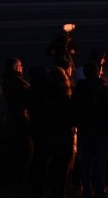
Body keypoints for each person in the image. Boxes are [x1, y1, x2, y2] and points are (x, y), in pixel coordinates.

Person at [29, 65, 75, 198]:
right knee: (61, 170)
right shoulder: (65, 99)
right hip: (63, 138)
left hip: (46, 136)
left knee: (43, 165)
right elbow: (72, 116)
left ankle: (39, 191)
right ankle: (58, 193)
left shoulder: (41, 97)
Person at [72, 61, 108, 198]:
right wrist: (107, 126)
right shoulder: (102, 88)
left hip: (85, 131)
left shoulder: (79, 90)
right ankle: (99, 189)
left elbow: (74, 111)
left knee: (85, 162)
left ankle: (86, 189)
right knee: (99, 163)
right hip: (100, 132)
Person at [2, 58, 32, 197]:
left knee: (16, 152)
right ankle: (22, 181)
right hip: (20, 121)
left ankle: (16, 181)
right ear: (15, 67)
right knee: (25, 151)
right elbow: (28, 96)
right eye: (20, 65)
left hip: (13, 120)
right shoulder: (17, 82)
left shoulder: (9, 80)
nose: (22, 68)